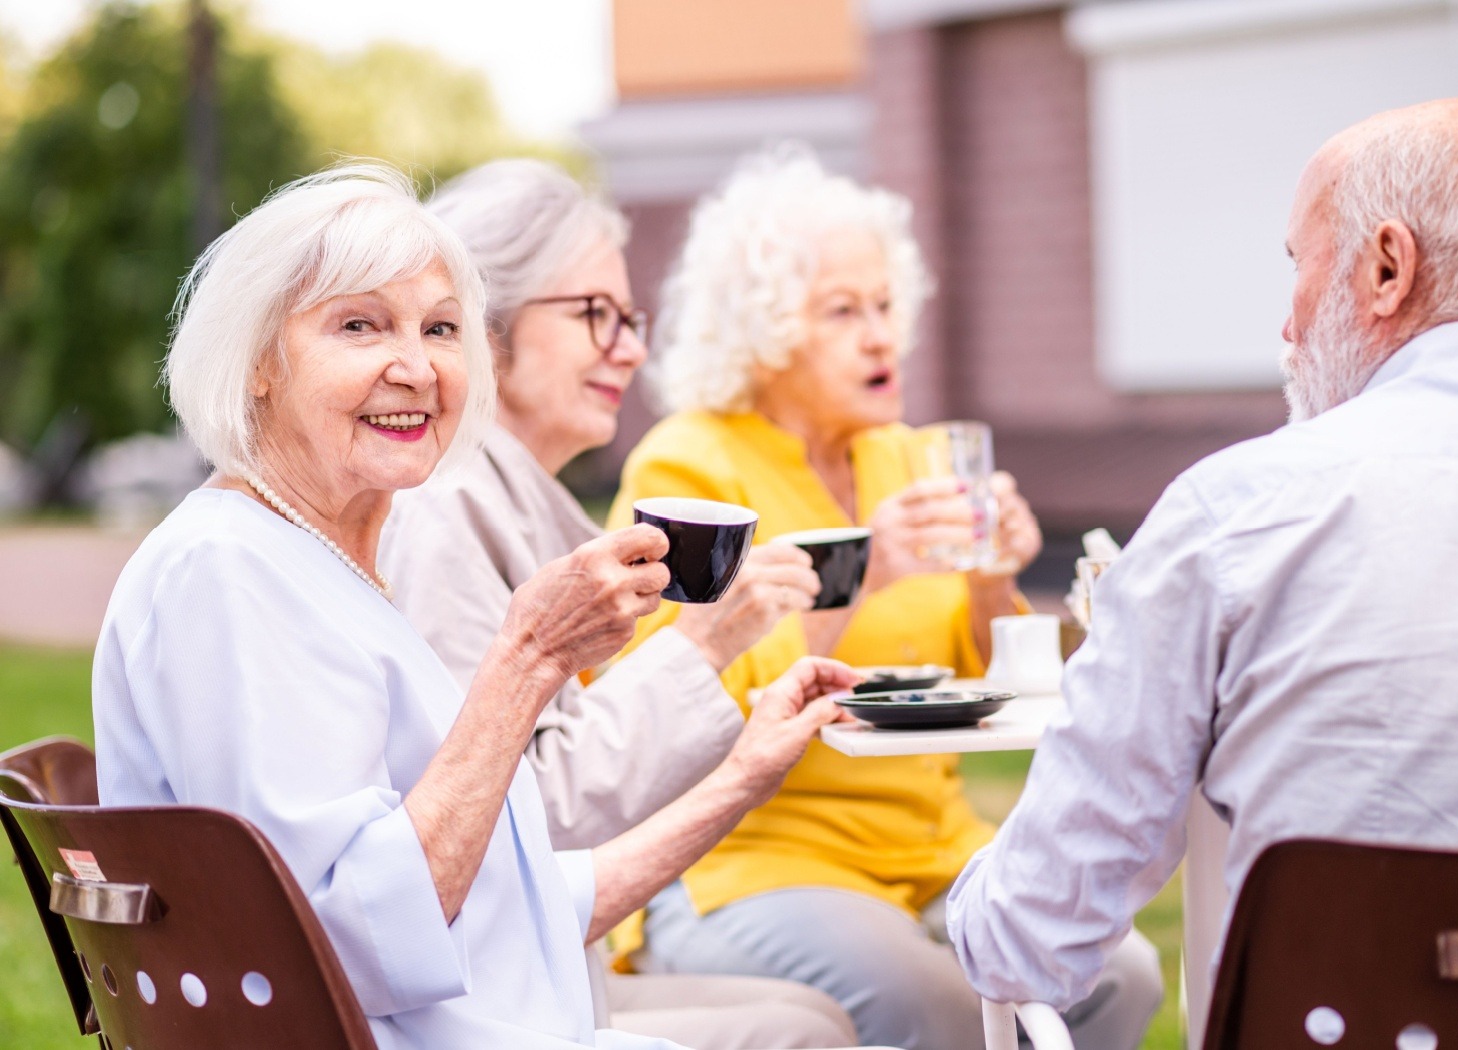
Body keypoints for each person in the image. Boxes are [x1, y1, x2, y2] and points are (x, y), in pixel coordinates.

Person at [92, 163, 859, 1050]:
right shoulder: (229, 575)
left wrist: (743, 776)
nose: (416, 366)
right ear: (257, 364)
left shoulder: (312, 562)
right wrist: (527, 658)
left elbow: (508, 899)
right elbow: (347, 944)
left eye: (442, 328)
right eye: (359, 325)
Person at [946, 98, 1458, 1013]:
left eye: (1300, 265)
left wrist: (976, 890)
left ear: (1386, 266)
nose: (1289, 327)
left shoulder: (1236, 517)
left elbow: (1028, 944)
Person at [606, 147, 1163, 1050]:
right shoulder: (690, 465)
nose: (880, 336)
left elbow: (993, 673)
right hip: (759, 858)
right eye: (842, 312)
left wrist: (993, 576)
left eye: (885, 305)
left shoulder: (907, 457)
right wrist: (868, 569)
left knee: (1118, 974)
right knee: (929, 1004)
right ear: (765, 329)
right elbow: (689, 700)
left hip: (931, 845)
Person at [380, 158, 854, 1050]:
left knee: (814, 1021)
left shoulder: (500, 502)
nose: (632, 349)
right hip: (477, 993)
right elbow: (525, 819)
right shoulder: (444, 513)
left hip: (528, 965)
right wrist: (707, 645)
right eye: (595, 313)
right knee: (809, 1034)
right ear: (487, 318)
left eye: (631, 319)